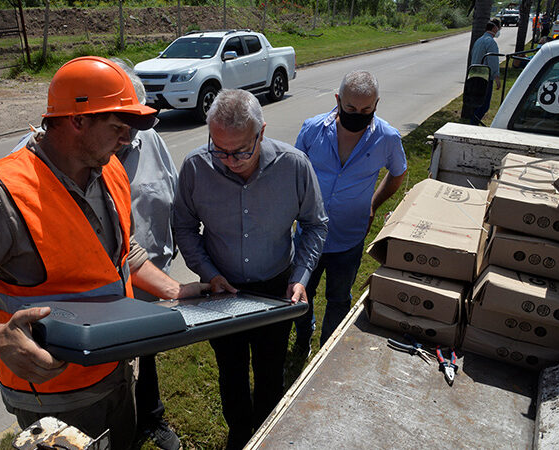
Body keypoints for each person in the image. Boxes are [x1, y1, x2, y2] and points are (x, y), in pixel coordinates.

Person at [0, 56, 207, 450]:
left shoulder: (109, 169)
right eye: (117, 127)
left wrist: (173, 290)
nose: (128, 140)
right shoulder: (0, 196)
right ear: (76, 121)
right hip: (53, 396)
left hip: (116, 371)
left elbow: (118, 253)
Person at [173, 89, 328, 449]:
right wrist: (208, 272)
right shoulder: (196, 167)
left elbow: (315, 225)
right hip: (219, 290)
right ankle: (240, 434)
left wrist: (300, 278)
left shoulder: (294, 165)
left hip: (275, 286)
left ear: (261, 132)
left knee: (271, 369)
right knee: (230, 370)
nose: (229, 160)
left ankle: (266, 435)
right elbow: (183, 226)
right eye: (219, 149)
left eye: (241, 151)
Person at [292, 71, 407, 353]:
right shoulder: (312, 129)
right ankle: (304, 337)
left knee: (339, 297)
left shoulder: (387, 138)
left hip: (349, 237)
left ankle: (327, 349)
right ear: (338, 100)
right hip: (308, 235)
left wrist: (373, 205)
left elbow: (398, 174)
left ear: (377, 104)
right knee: (299, 293)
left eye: (367, 109)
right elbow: (293, 174)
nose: (359, 114)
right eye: (351, 108)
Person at [111, 59, 181, 450]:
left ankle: (150, 417)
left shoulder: (150, 138)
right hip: (98, 292)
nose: (129, 136)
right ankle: (121, 429)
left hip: (149, 275)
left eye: (137, 124)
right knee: (108, 366)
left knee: (146, 351)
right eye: (121, 126)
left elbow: (170, 196)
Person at [470, 21, 502, 125]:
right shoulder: (490, 42)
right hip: (485, 77)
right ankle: (473, 124)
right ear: (494, 28)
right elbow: (493, 60)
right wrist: (496, 76)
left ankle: (474, 122)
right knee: (484, 105)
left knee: (477, 102)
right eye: (498, 28)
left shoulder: (479, 40)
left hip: (475, 75)